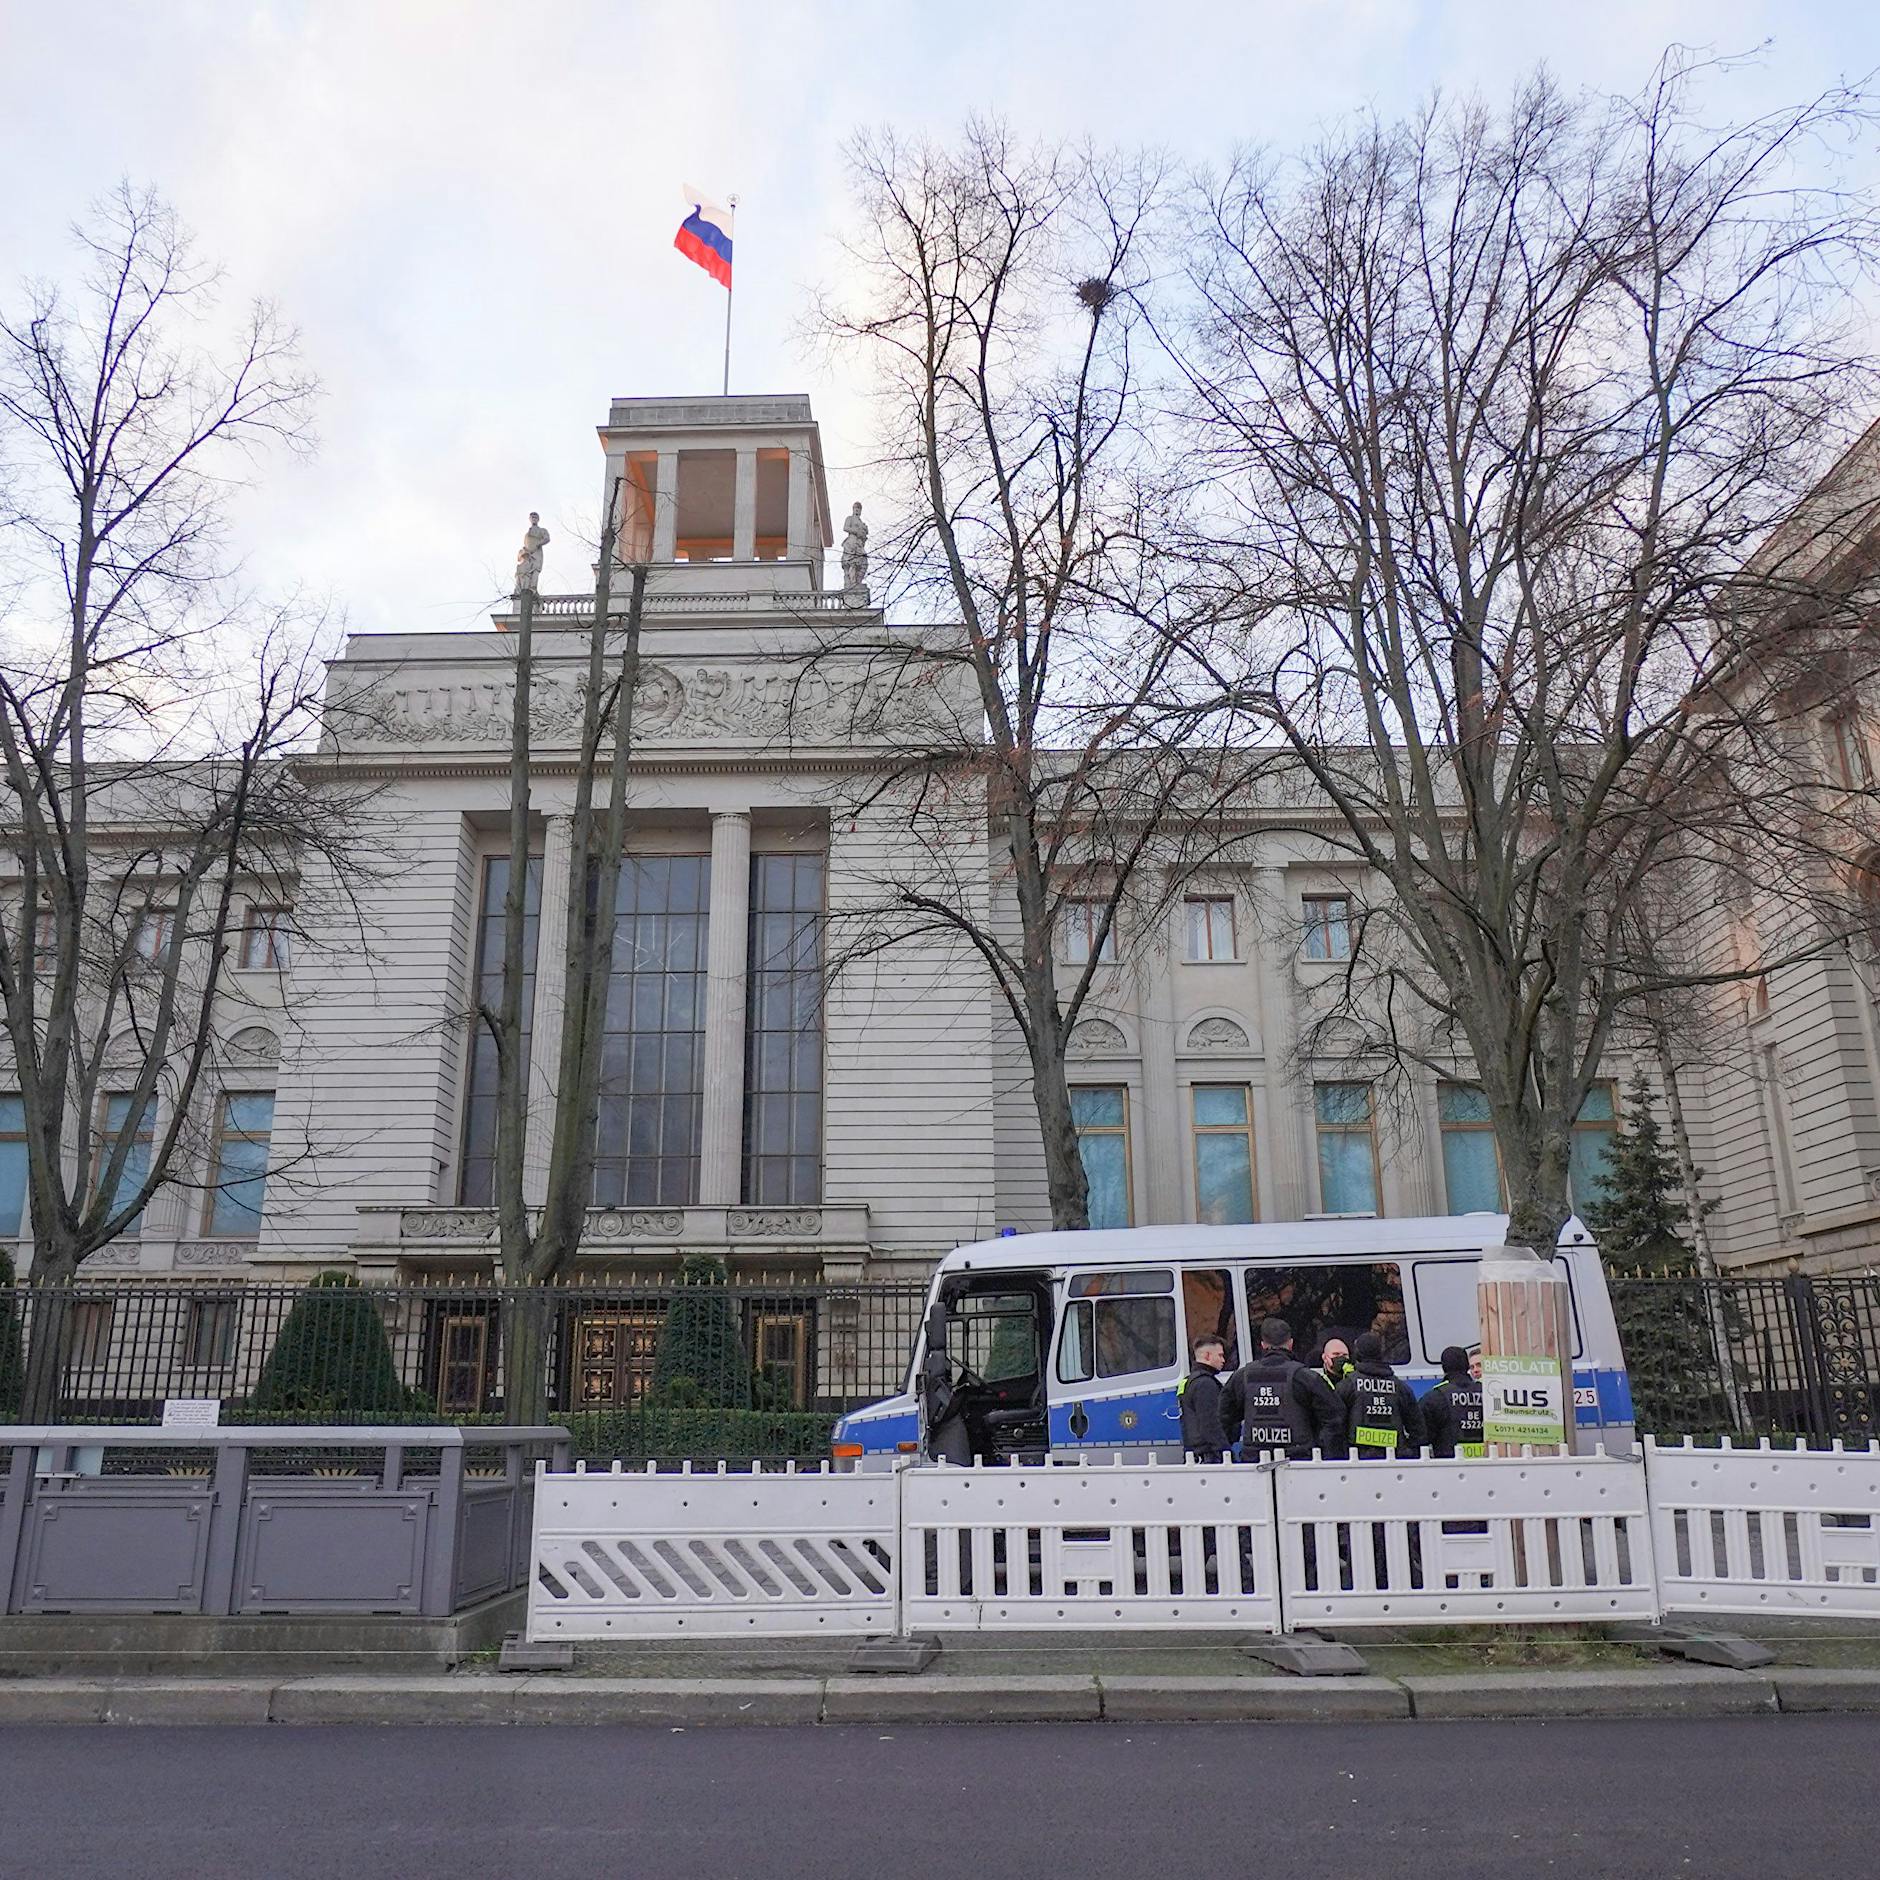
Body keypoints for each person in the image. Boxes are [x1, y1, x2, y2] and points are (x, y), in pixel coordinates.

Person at [1221, 1317, 1348, 1462]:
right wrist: (1325, 1454)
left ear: (1263, 1345)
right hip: (1299, 1462)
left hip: (1254, 1464)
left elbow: (1222, 1417)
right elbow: (1334, 1416)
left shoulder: (1242, 1377)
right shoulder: (1304, 1377)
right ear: (1290, 1343)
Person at [1339, 1330, 1427, 1458]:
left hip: (1357, 1462)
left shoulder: (1348, 1385)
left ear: (1357, 1353)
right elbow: (1419, 1431)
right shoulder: (1400, 1388)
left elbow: (1334, 1425)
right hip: (1394, 1460)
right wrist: (1407, 1453)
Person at [1422, 1344, 1486, 1459]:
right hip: (1488, 1463)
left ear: (1444, 1368)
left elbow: (1421, 1436)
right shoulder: (1487, 1393)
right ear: (1467, 1366)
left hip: (1448, 1466)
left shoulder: (1434, 1397)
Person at [1176, 1334, 1231, 1462]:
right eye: (1220, 1355)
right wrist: (1225, 1453)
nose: (1223, 1360)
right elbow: (1210, 1424)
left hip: (1194, 1455)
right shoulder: (1205, 1384)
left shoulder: (1187, 1381)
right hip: (1209, 1456)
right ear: (1207, 1356)